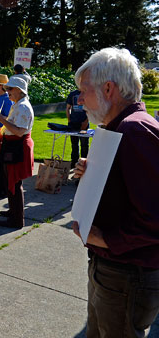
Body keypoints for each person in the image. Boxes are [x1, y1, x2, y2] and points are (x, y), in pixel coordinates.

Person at [71, 48, 159, 337]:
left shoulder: (135, 131)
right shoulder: (118, 128)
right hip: (114, 269)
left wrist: (106, 238)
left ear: (108, 89)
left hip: (127, 274)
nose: (79, 99)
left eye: (84, 90)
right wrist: (93, 173)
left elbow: (155, 217)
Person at [0, 76, 34, 228]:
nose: (7, 91)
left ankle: (17, 219)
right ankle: (13, 211)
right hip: (13, 145)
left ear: (20, 90)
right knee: (10, 180)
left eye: (10, 89)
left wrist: (2, 120)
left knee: (14, 181)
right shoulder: (18, 104)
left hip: (17, 146)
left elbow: (19, 131)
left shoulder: (23, 107)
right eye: (7, 88)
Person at [65, 88, 89, 168]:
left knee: (84, 144)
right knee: (74, 144)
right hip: (73, 124)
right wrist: (69, 121)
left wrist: (86, 122)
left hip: (84, 124)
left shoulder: (87, 93)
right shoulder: (72, 94)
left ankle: (84, 163)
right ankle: (74, 162)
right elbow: (68, 108)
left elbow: (90, 110)